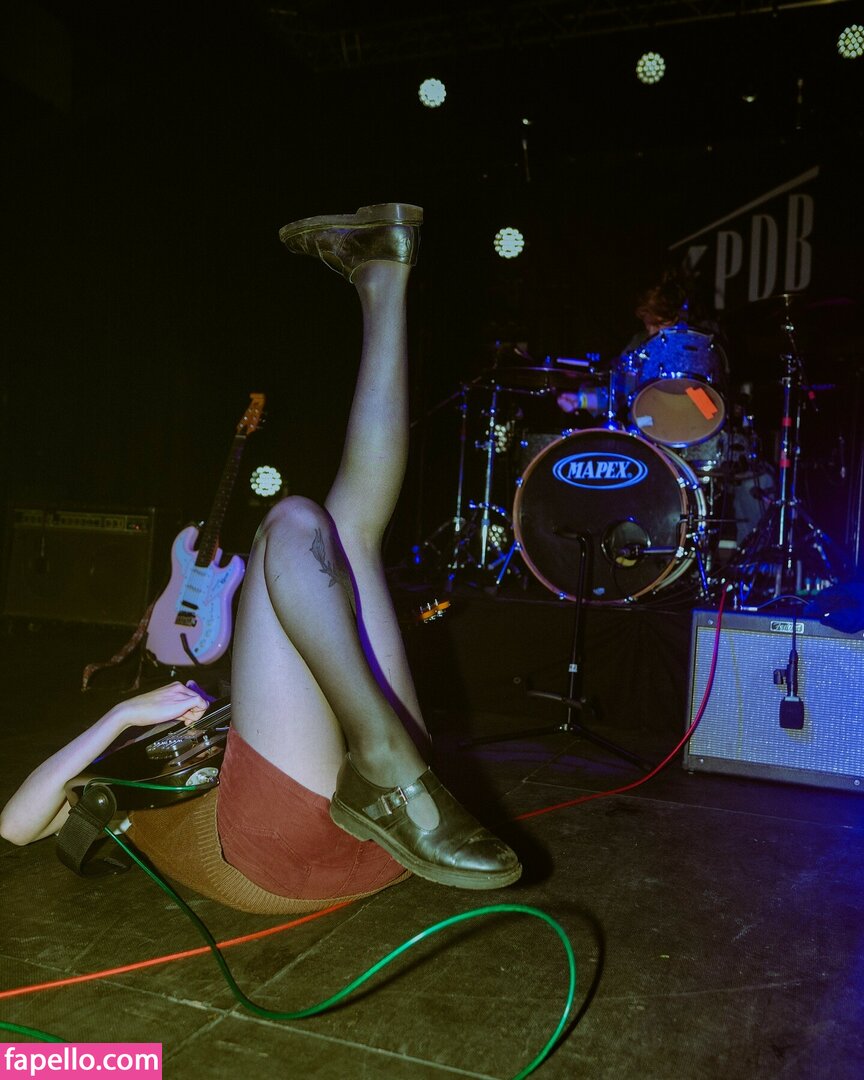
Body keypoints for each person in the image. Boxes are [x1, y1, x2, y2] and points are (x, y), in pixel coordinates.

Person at [0, 203, 522, 912]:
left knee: (345, 534)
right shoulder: (112, 785)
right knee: (290, 520)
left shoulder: (244, 729)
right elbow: (15, 826)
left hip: (397, 837)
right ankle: (387, 763)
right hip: (278, 854)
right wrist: (121, 717)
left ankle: (383, 277)